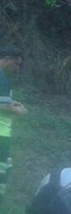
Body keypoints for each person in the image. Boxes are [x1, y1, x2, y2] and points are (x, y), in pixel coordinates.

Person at [0, 46, 26, 203]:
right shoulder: (2, 78)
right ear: (7, 59)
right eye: (16, 64)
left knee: (6, 165)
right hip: (1, 133)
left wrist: (11, 103)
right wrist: (18, 110)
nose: (17, 68)